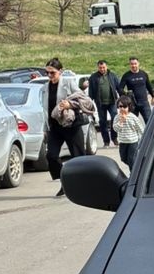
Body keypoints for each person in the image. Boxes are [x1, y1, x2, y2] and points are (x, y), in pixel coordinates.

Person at [38, 58, 87, 197]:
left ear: (60, 71)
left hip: (71, 125)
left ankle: (84, 184)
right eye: (47, 73)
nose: (49, 76)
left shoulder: (69, 83)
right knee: (51, 156)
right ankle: (65, 181)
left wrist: (70, 105)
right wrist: (45, 128)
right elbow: (45, 110)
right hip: (54, 127)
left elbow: (83, 98)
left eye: (52, 73)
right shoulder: (44, 88)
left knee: (78, 157)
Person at [88, 59, 118, 146]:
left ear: (106, 66)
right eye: (100, 68)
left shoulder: (112, 75)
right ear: (98, 67)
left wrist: (123, 96)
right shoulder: (93, 77)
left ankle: (114, 138)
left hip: (112, 102)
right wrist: (89, 103)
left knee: (115, 118)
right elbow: (91, 91)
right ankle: (106, 141)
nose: (102, 69)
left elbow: (119, 87)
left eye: (103, 67)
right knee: (102, 122)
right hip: (100, 103)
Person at [117, 56, 154, 121]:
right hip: (132, 103)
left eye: (135, 63)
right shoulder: (126, 75)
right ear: (130, 65)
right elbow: (120, 89)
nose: (134, 65)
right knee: (132, 122)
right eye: (132, 64)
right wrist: (126, 95)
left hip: (144, 102)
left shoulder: (143, 74)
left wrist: (153, 96)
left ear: (138, 63)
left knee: (149, 121)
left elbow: (148, 86)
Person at [114, 97, 145, 168]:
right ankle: (137, 166)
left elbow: (141, 129)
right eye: (120, 106)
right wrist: (121, 122)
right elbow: (115, 129)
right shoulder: (117, 117)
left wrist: (142, 140)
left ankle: (134, 171)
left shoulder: (133, 117)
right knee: (123, 158)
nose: (122, 108)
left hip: (132, 142)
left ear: (129, 107)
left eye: (124, 106)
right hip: (122, 142)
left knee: (131, 159)